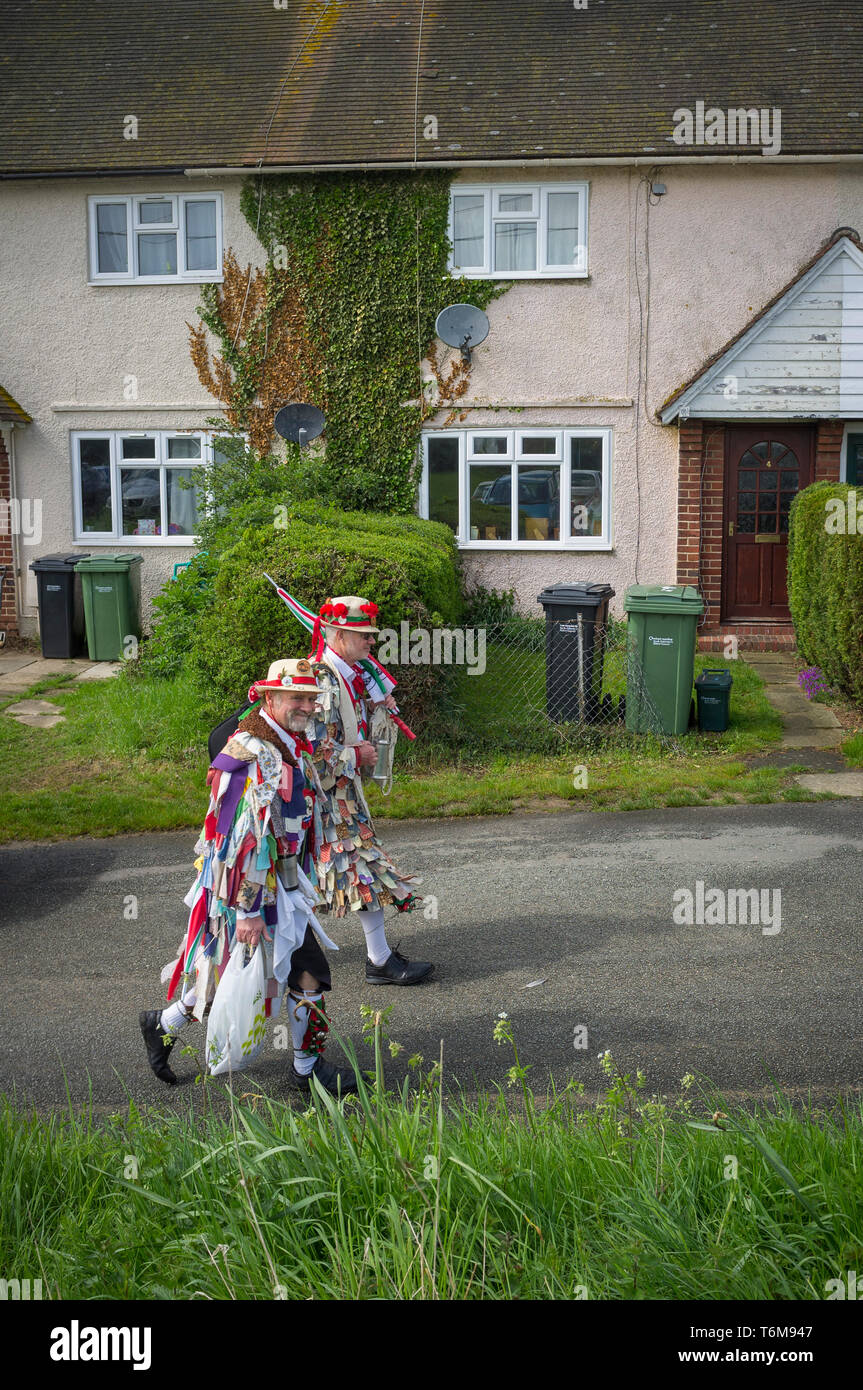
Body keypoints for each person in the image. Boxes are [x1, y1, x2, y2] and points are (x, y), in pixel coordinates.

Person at [138, 658, 359, 1097]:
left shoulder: (283, 739)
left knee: (231, 974)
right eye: (296, 697)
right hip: (256, 894)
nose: (307, 706)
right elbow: (244, 841)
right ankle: (307, 1070)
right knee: (306, 972)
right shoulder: (256, 753)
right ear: (268, 698)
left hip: (277, 886)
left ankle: (162, 1024)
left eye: (311, 698)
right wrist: (249, 910)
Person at [307, 594, 435, 986]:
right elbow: (314, 749)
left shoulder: (349, 674)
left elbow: (345, 726)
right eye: (363, 634)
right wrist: (354, 756)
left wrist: (377, 709)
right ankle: (371, 961)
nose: (371, 641)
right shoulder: (322, 678)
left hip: (342, 794)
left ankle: (375, 959)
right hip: (326, 798)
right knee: (364, 867)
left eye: (370, 634)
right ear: (339, 634)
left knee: (361, 871)